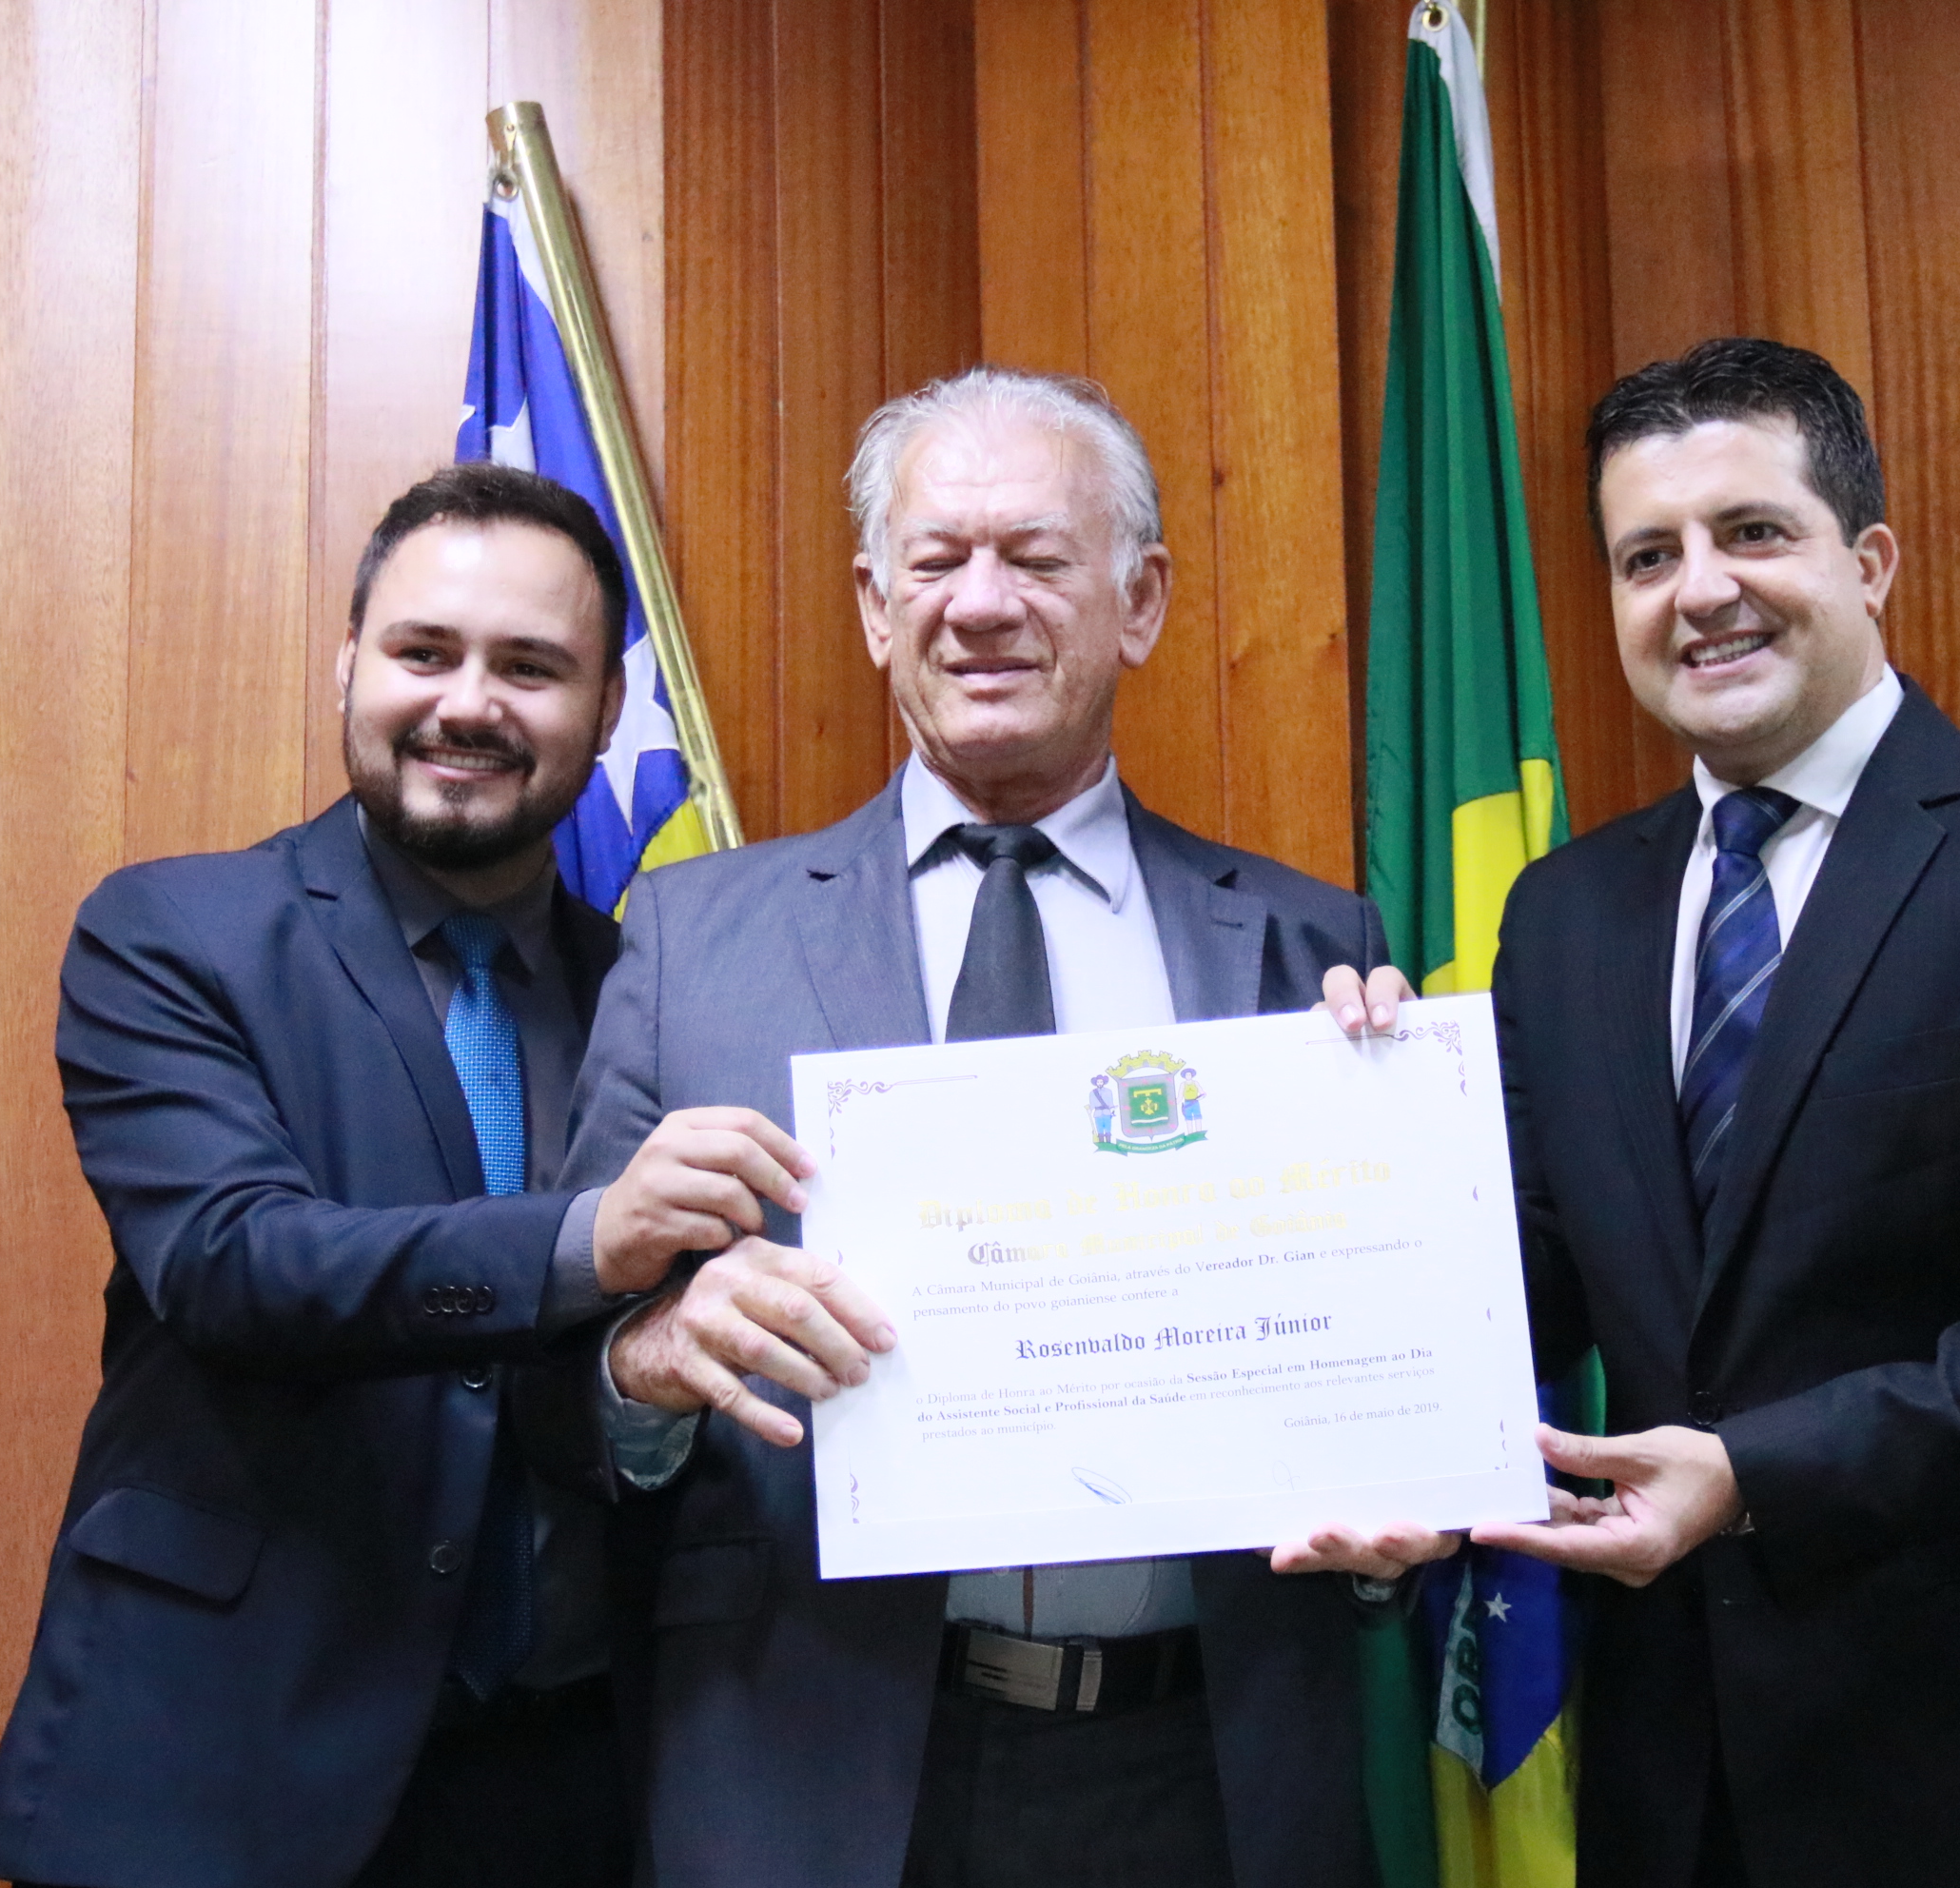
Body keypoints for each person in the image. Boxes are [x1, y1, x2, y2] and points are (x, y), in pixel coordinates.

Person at [1329, 337, 1960, 1886]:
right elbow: (1518, 1288)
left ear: (1869, 560)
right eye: (1648, 556)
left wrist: (1756, 1475)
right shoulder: (1566, 916)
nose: (1700, 591)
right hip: (1683, 1795)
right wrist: (1349, 1130)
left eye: (1752, 531)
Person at [532, 367, 1436, 1888]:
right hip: (812, 1769)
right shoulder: (692, 943)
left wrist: (1397, 1479)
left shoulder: (1310, 951)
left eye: (1037, 557)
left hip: (1206, 1777)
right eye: (937, 561)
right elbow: (558, 1393)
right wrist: (648, 1365)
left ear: (1141, 602)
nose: (982, 605)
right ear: (875, 609)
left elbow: (1389, 1367)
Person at [0, 463, 849, 1888]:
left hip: (570, 1777)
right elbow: (233, 1266)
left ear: (607, 711)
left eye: (531, 667)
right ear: (349, 666)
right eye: (424, 652)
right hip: (219, 1760)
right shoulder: (174, 933)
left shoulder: (656, 993)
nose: (468, 704)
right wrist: (587, 1240)